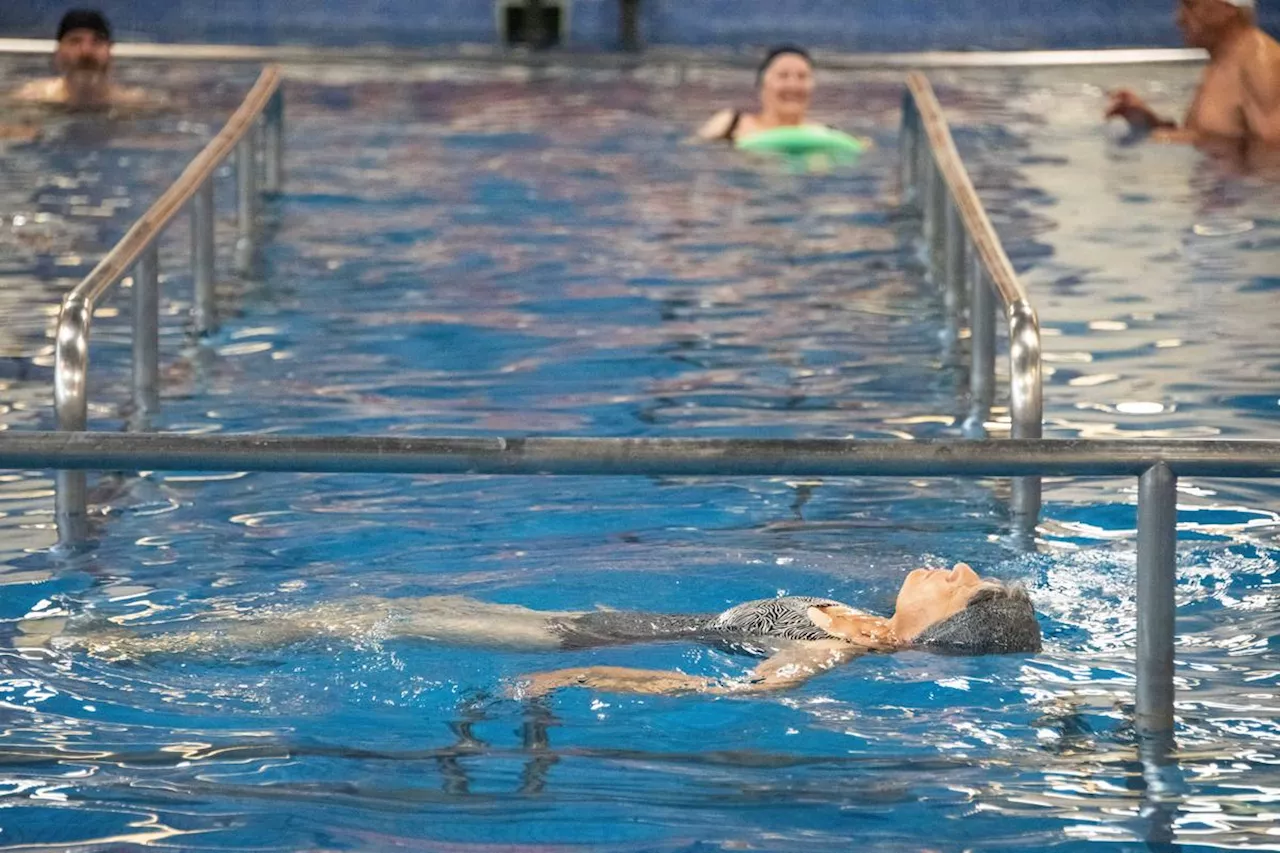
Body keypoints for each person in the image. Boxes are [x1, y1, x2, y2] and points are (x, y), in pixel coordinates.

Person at [43, 562, 1042, 697]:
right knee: (356, 609)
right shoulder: (861, 627)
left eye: (962, 582)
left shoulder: (833, 649)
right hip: (591, 621)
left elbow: (720, 691)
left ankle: (130, 650)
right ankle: (136, 639)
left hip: (583, 643)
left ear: (946, 622)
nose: (949, 566)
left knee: (356, 618)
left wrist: (577, 682)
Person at [1106, 0, 1280, 147]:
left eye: (1190, 5)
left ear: (1226, 9)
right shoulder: (1222, 62)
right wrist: (1151, 123)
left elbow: (1272, 158)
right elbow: (1217, 135)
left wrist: (1176, 138)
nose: (1179, 19)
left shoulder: (1260, 65)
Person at [12, 10, 148, 109]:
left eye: (97, 41)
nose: (86, 51)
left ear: (110, 52)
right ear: (58, 53)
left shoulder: (135, 105)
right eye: (75, 41)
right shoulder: (31, 100)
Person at [697, 45, 821, 144]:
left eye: (802, 77)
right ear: (762, 87)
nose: (793, 86)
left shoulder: (824, 135)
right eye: (783, 76)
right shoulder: (729, 126)